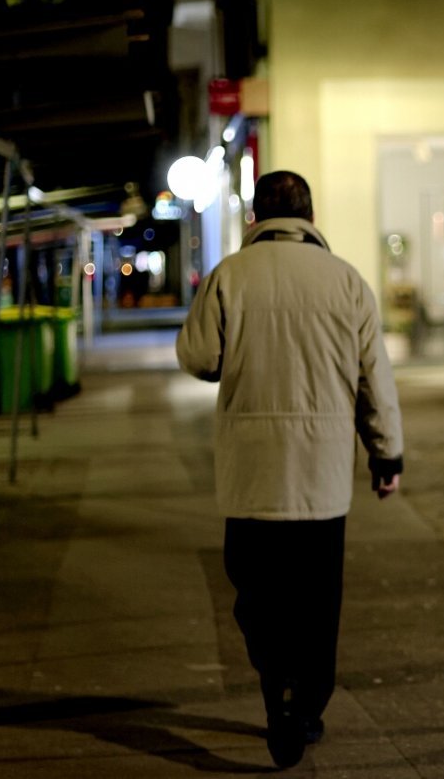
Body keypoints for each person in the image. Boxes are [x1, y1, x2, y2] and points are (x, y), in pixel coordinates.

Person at [176, 170, 404, 768]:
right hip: (322, 479)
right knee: (317, 600)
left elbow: (200, 357)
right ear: (310, 215)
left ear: (257, 216)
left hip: (250, 475)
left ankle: (275, 685)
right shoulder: (348, 282)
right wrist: (387, 454)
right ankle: (306, 704)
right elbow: (373, 380)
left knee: (254, 592)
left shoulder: (229, 275)